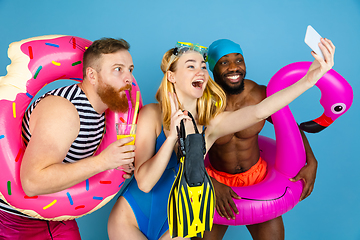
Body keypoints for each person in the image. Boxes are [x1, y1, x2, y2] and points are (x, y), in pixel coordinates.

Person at [108, 38, 334, 240]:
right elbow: (145, 183)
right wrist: (171, 139)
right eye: (191, 66)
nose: (201, 71)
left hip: (179, 221)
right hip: (132, 217)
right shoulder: (152, 114)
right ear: (172, 76)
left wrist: (310, 79)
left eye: (203, 67)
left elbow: (261, 111)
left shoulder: (212, 123)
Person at [0, 38, 136, 239]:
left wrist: (114, 166)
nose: (129, 79)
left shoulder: (103, 115)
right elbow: (32, 182)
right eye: (118, 69)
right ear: (92, 75)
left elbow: (74, 166)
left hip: (57, 217)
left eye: (130, 69)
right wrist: (104, 161)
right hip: (13, 221)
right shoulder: (63, 111)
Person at [200, 39, 323, 240]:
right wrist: (209, 183)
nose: (234, 68)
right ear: (213, 68)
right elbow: (185, 149)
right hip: (216, 179)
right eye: (224, 62)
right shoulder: (203, 102)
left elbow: (290, 127)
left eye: (239, 60)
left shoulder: (259, 94)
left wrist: (312, 161)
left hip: (257, 178)